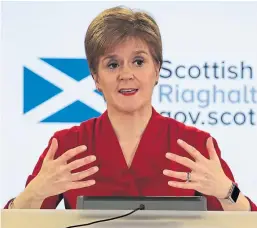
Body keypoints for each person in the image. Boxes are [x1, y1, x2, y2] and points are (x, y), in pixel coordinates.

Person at [4, 6, 257, 211]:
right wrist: (34, 193)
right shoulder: (67, 146)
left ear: (156, 69)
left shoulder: (194, 145)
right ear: (95, 77)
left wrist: (228, 192)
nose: (126, 74)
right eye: (112, 64)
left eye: (138, 61)